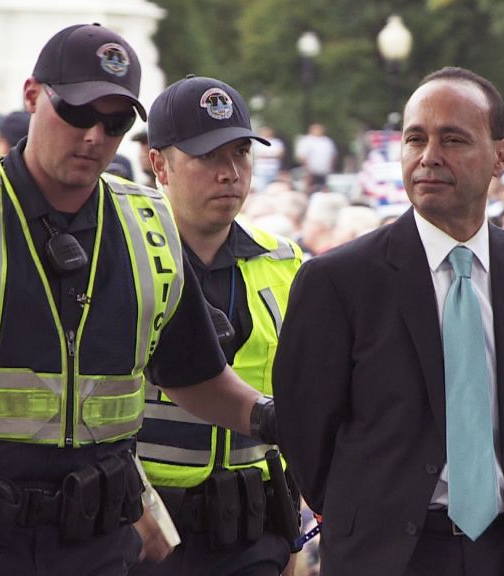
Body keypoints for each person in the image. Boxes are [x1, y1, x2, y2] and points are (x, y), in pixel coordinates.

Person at [0, 23, 276, 576]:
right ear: (33, 94)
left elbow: (193, 374)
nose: (94, 137)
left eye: (115, 122)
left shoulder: (148, 225)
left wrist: (273, 419)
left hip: (95, 541)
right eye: (78, 112)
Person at [273, 66, 504, 576]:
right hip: (383, 554)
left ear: (500, 156)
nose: (428, 156)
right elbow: (305, 429)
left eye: (453, 139)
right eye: (415, 138)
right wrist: (367, 510)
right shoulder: (338, 281)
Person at [131, 75, 302, 576]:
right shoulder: (127, 257)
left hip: (255, 530)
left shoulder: (286, 262)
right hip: (149, 532)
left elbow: (298, 401)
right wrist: (135, 508)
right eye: (208, 157)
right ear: (159, 163)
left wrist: (291, 531)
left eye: (241, 153)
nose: (230, 173)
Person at [293, 123, 336, 193]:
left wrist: (330, 166)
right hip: (309, 170)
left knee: (323, 187)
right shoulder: (306, 141)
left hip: (324, 170)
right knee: (309, 187)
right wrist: (306, 167)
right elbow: (301, 156)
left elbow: (332, 155)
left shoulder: (327, 141)